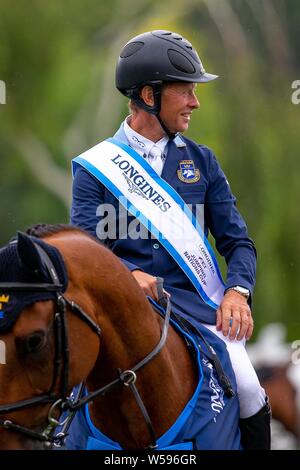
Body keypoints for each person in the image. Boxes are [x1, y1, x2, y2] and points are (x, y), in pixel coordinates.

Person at [70, 30, 271, 449]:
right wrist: (127, 278)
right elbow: (87, 252)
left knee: (251, 392)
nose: (195, 103)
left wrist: (237, 291)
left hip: (199, 310)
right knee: (63, 392)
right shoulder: (95, 168)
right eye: (186, 92)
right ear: (150, 95)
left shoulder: (202, 162)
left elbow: (238, 242)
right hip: (120, 310)